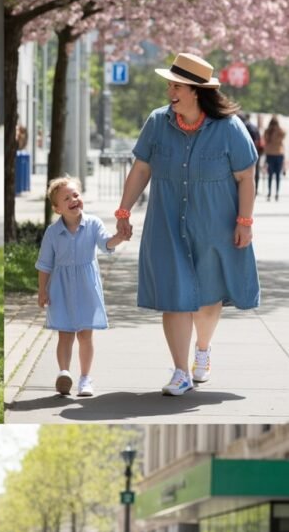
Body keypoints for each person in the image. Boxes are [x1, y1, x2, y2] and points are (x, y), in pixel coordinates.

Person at [114, 52, 259, 397]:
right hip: (165, 224)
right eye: (169, 85)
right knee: (174, 297)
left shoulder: (228, 128)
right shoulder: (157, 122)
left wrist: (245, 221)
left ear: (196, 90)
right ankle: (180, 372)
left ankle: (203, 349)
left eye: (176, 86)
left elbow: (246, 177)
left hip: (214, 226)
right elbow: (141, 170)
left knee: (207, 300)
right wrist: (123, 212)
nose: (170, 92)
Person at [36, 176, 126, 399]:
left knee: (86, 335)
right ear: (57, 209)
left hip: (86, 287)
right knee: (65, 334)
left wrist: (118, 238)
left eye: (75, 194)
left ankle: (85, 378)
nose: (73, 199)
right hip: (61, 289)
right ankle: (64, 373)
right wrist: (42, 290)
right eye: (66, 198)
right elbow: (45, 264)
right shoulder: (52, 233)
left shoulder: (93, 223)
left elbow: (105, 244)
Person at [263, 116, 286, 201]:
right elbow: (284, 134)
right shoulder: (279, 131)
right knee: (277, 175)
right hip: (279, 154)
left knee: (270, 174)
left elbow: (264, 139)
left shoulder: (267, 131)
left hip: (270, 154)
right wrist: (278, 127)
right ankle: (277, 193)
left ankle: (269, 193)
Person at [239, 112, 262, 194]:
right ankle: (255, 188)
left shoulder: (241, 126)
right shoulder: (254, 127)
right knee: (255, 171)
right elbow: (258, 140)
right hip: (255, 151)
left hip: (243, 152)